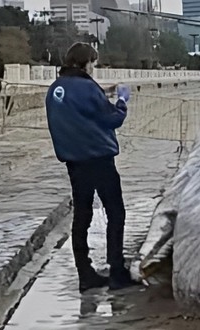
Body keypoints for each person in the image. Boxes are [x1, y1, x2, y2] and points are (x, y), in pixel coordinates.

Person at [45, 42, 138, 292]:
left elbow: (76, 112)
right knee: (115, 212)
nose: (94, 67)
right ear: (85, 62)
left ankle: (84, 274)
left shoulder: (55, 88)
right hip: (99, 158)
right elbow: (112, 119)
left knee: (82, 216)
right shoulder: (87, 87)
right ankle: (117, 271)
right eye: (93, 62)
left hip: (74, 161)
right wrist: (121, 100)